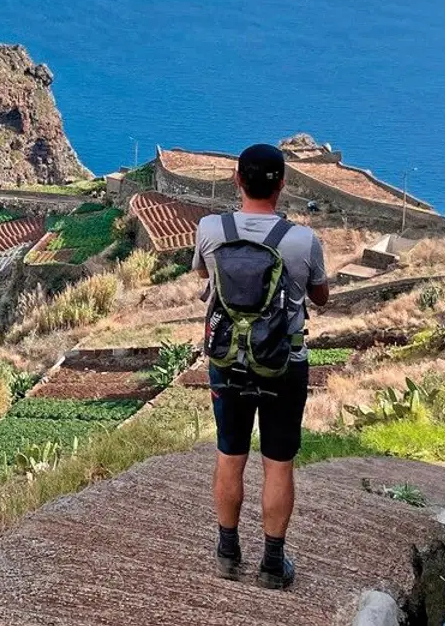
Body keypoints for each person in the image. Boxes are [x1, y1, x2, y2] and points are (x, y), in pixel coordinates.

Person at [192, 142, 329, 590]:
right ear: (283, 184)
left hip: (227, 359)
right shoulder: (303, 240)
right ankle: (273, 563)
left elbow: (202, 277)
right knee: (278, 463)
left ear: (237, 180)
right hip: (283, 363)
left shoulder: (210, 229)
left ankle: (227, 553)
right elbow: (319, 296)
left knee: (230, 454)